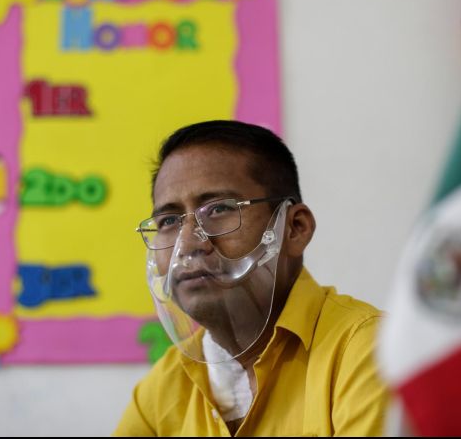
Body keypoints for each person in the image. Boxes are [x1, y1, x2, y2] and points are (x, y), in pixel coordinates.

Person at [114, 120, 388, 436]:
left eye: (218, 210)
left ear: (295, 228)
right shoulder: (163, 390)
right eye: (170, 220)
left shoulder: (371, 353)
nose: (187, 245)